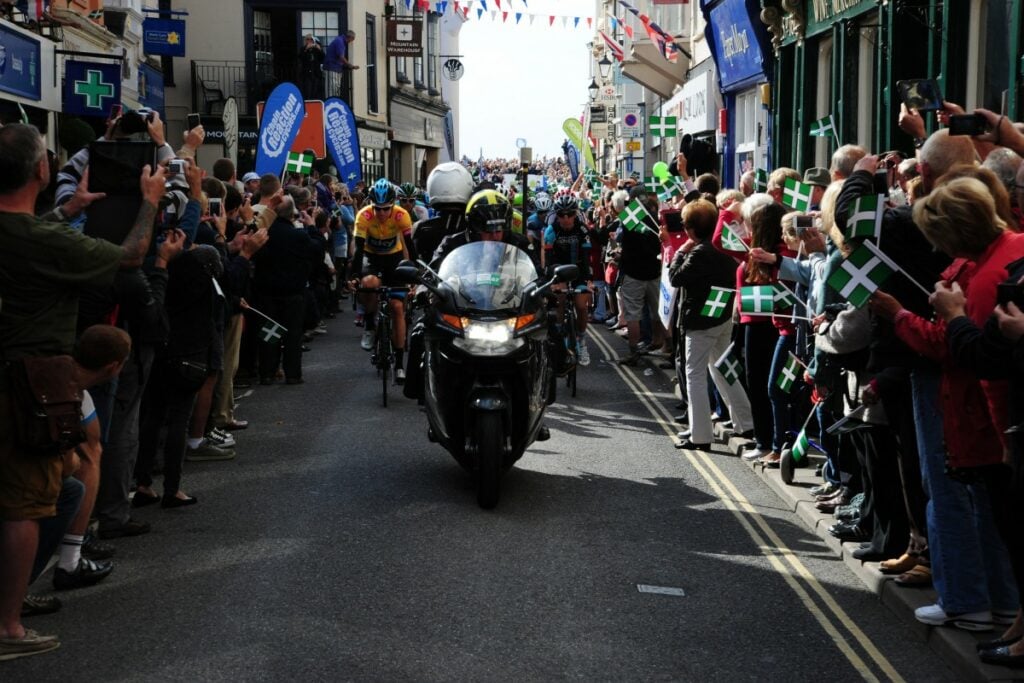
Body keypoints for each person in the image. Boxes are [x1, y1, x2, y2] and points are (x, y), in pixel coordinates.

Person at [0, 123, 164, 660]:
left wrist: (70, 211)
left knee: (55, 490)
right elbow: (132, 255)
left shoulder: (31, 233)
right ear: (42, 171)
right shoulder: (47, 243)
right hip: (30, 386)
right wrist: (149, 203)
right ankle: (8, 626)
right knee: (26, 503)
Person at [668, 199, 754, 451]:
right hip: (723, 313)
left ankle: (700, 435)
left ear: (692, 229)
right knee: (722, 369)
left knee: (694, 375)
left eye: (684, 224)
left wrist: (680, 252)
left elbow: (676, 278)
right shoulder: (724, 245)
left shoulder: (699, 252)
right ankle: (745, 422)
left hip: (700, 319)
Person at [349, 179, 416, 383]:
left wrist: (415, 275)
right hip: (372, 258)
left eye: (386, 209)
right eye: (378, 209)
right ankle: (370, 323)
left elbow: (411, 248)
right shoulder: (364, 216)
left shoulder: (401, 215)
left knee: (397, 307)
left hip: (393, 260)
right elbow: (359, 250)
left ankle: (399, 364)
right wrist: (353, 276)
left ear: (393, 205)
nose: (381, 213)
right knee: (368, 284)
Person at [543, 195, 593, 366]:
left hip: (579, 271)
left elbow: (587, 258)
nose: (565, 218)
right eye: (561, 215)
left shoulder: (582, 230)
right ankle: (559, 339)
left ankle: (581, 340)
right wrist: (552, 281)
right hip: (559, 271)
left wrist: (588, 281)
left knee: (581, 305)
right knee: (560, 301)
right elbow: (548, 260)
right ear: (556, 215)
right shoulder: (551, 230)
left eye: (570, 214)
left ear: (575, 214)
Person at [323, 30, 358, 100]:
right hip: (332, 68)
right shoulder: (340, 42)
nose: (351, 42)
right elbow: (341, 57)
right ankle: (330, 105)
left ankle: (333, 104)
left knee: (335, 90)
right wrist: (350, 65)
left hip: (335, 69)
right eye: (352, 40)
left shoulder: (340, 41)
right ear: (350, 37)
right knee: (332, 91)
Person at [298, 34, 324, 100]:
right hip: (307, 74)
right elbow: (300, 57)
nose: (309, 41)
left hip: (316, 73)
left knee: (316, 91)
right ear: (305, 41)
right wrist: (306, 49)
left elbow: (323, 58)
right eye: (308, 39)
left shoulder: (316, 49)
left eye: (311, 39)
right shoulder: (303, 49)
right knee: (308, 91)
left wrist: (320, 49)